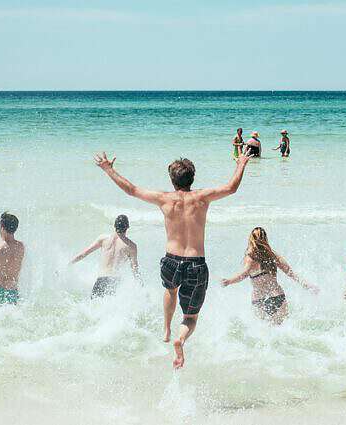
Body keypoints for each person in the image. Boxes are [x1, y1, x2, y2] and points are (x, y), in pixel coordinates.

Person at [94, 151, 252, 369]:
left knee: (170, 291)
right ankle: (181, 338)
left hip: (171, 260)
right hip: (196, 262)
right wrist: (241, 163)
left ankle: (167, 329)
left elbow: (131, 189)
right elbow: (231, 187)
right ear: (192, 178)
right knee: (191, 317)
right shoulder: (202, 197)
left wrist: (108, 169)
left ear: (172, 179)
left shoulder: (164, 199)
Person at [220, 227, 318, 325]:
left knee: (264, 334)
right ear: (265, 239)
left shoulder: (250, 258)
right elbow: (290, 272)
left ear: (251, 239)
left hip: (259, 301)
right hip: (276, 296)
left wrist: (229, 281)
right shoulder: (272, 255)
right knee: (283, 331)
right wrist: (307, 285)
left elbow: (243, 274)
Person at [68, 214, 141, 298]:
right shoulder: (131, 246)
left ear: (114, 225)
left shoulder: (103, 239)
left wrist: (68, 264)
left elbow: (83, 254)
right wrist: (141, 287)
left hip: (101, 280)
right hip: (115, 282)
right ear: (127, 227)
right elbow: (135, 270)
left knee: (93, 307)